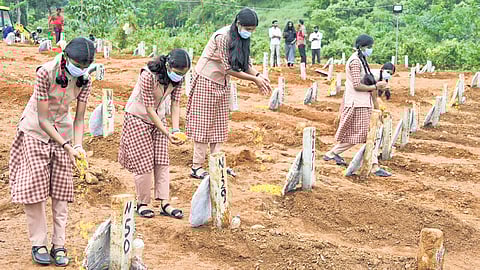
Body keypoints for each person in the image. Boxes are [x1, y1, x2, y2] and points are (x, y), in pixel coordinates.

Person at [8, 37, 95, 266]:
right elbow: (44, 119)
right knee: (36, 189)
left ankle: (59, 244)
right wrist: (67, 146)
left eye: (85, 67)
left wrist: (77, 145)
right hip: (36, 131)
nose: (81, 70)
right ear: (66, 57)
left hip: (64, 132)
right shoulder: (45, 72)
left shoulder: (85, 79)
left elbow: (79, 118)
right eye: (78, 65)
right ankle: (39, 243)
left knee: (61, 190)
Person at [186, 8, 272, 179]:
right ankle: (197, 167)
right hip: (206, 80)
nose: (249, 33)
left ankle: (216, 165)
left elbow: (245, 63)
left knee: (219, 124)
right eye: (248, 29)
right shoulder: (223, 37)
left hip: (222, 82)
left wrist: (259, 75)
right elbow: (229, 68)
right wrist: (254, 80)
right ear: (238, 24)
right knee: (204, 124)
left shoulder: (242, 38)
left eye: (252, 30)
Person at [118, 49, 190, 219]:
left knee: (162, 160)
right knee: (144, 161)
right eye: (178, 73)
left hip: (159, 118)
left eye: (183, 74)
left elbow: (175, 103)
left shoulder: (179, 79)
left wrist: (175, 130)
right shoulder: (148, 75)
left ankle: (164, 203)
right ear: (167, 65)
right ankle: (142, 203)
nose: (180, 76)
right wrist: (167, 133)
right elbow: (149, 108)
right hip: (138, 118)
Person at [323, 34, 392, 177]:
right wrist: (375, 86)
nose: (370, 49)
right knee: (365, 134)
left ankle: (333, 153)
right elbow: (357, 85)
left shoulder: (362, 60)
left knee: (364, 134)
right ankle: (373, 166)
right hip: (358, 103)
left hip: (362, 103)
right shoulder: (355, 62)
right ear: (362, 47)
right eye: (369, 47)